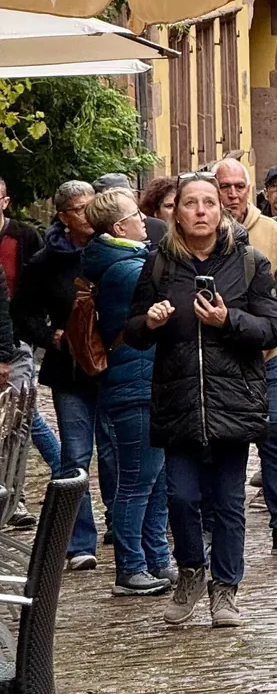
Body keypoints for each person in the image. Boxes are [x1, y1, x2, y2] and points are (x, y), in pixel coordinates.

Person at [125, 172, 277, 629]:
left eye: (208, 203)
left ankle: (226, 591)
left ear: (222, 211)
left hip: (232, 397)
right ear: (175, 212)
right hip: (178, 400)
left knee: (229, 500)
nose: (200, 211)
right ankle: (192, 570)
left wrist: (226, 319)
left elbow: (272, 328)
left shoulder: (250, 262)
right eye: (189, 203)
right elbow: (130, 332)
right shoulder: (159, 265)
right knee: (181, 496)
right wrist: (150, 323)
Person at [213, 157, 277, 557]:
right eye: (225, 187)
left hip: (264, 357)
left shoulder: (269, 231)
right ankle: (213, 528)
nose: (233, 194)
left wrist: (272, 328)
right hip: (214, 362)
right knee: (220, 445)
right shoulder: (194, 235)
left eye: (239, 186)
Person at [79, 189, 174, 596]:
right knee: (138, 480)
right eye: (136, 216)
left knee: (155, 478)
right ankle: (130, 566)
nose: (143, 221)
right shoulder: (127, 269)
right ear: (120, 228)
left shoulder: (120, 260)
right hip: (135, 382)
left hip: (141, 380)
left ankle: (156, 557)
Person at [13, 179, 111, 569]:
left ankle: (121, 530)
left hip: (111, 367)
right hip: (70, 372)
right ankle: (80, 540)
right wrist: (48, 335)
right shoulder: (47, 260)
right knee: (74, 456)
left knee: (117, 454)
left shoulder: (112, 248)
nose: (89, 214)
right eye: (80, 209)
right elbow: (22, 311)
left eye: (93, 206)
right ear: (64, 216)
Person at [0, 176, 54, 528]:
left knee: (17, 422)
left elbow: (36, 287)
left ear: (4, 201)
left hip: (15, 342)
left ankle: (14, 498)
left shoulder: (22, 236)